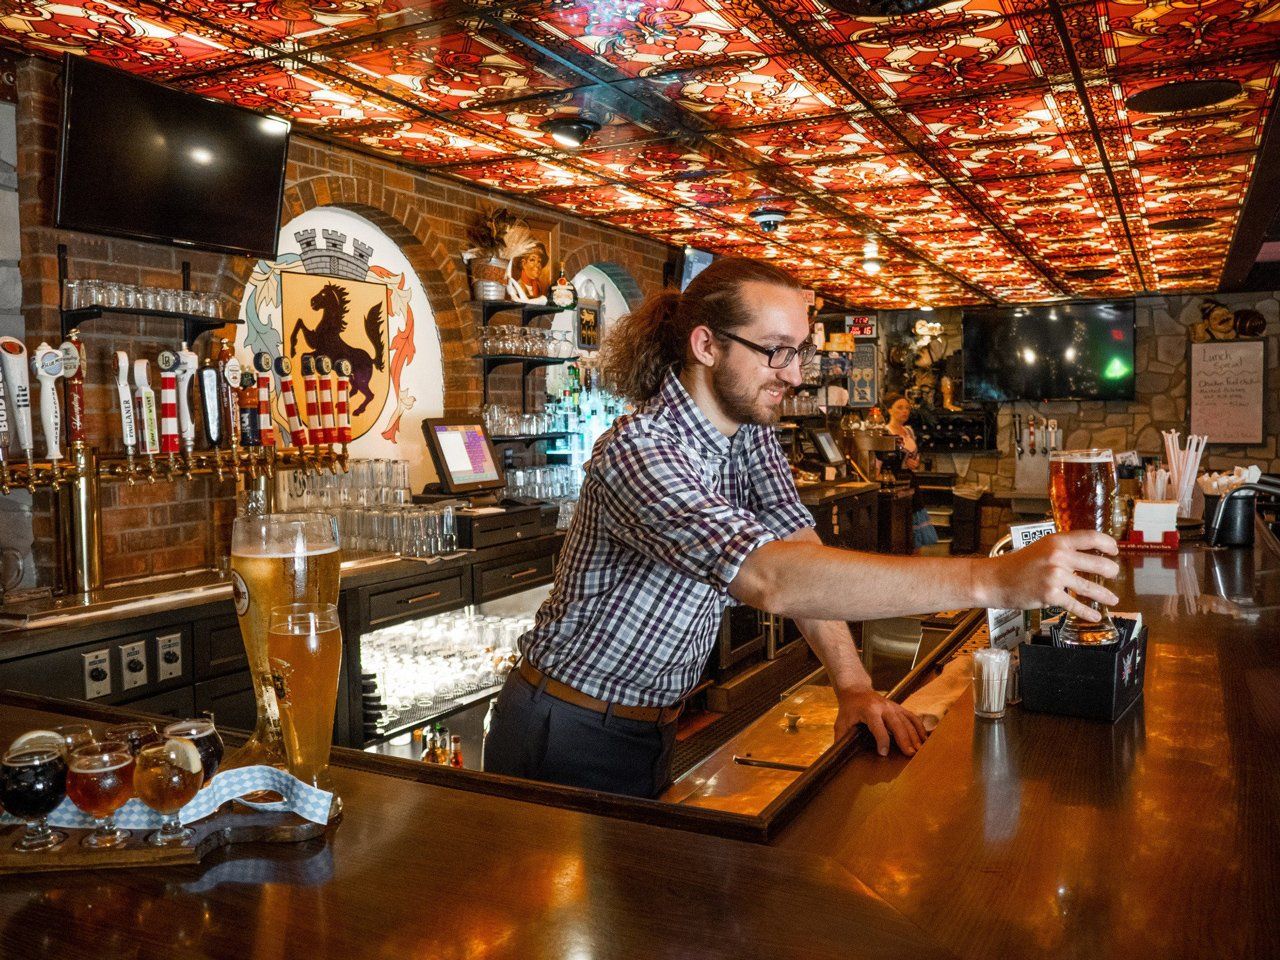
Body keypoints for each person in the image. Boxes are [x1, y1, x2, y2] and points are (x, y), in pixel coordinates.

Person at [482, 257, 1119, 799]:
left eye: (801, 351)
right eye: (776, 352)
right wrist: (990, 580)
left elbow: (799, 552)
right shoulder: (639, 452)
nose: (794, 373)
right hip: (563, 728)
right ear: (707, 346)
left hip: (650, 728)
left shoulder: (749, 434)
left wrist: (853, 685)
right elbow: (771, 579)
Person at [882, 392, 938, 550]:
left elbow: (916, 456)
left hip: (911, 481)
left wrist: (916, 462)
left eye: (907, 408)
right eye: (899, 408)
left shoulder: (908, 431)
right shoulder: (886, 432)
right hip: (896, 481)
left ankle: (916, 557)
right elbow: (885, 459)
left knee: (914, 519)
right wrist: (903, 461)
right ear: (890, 410)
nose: (904, 411)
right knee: (902, 526)